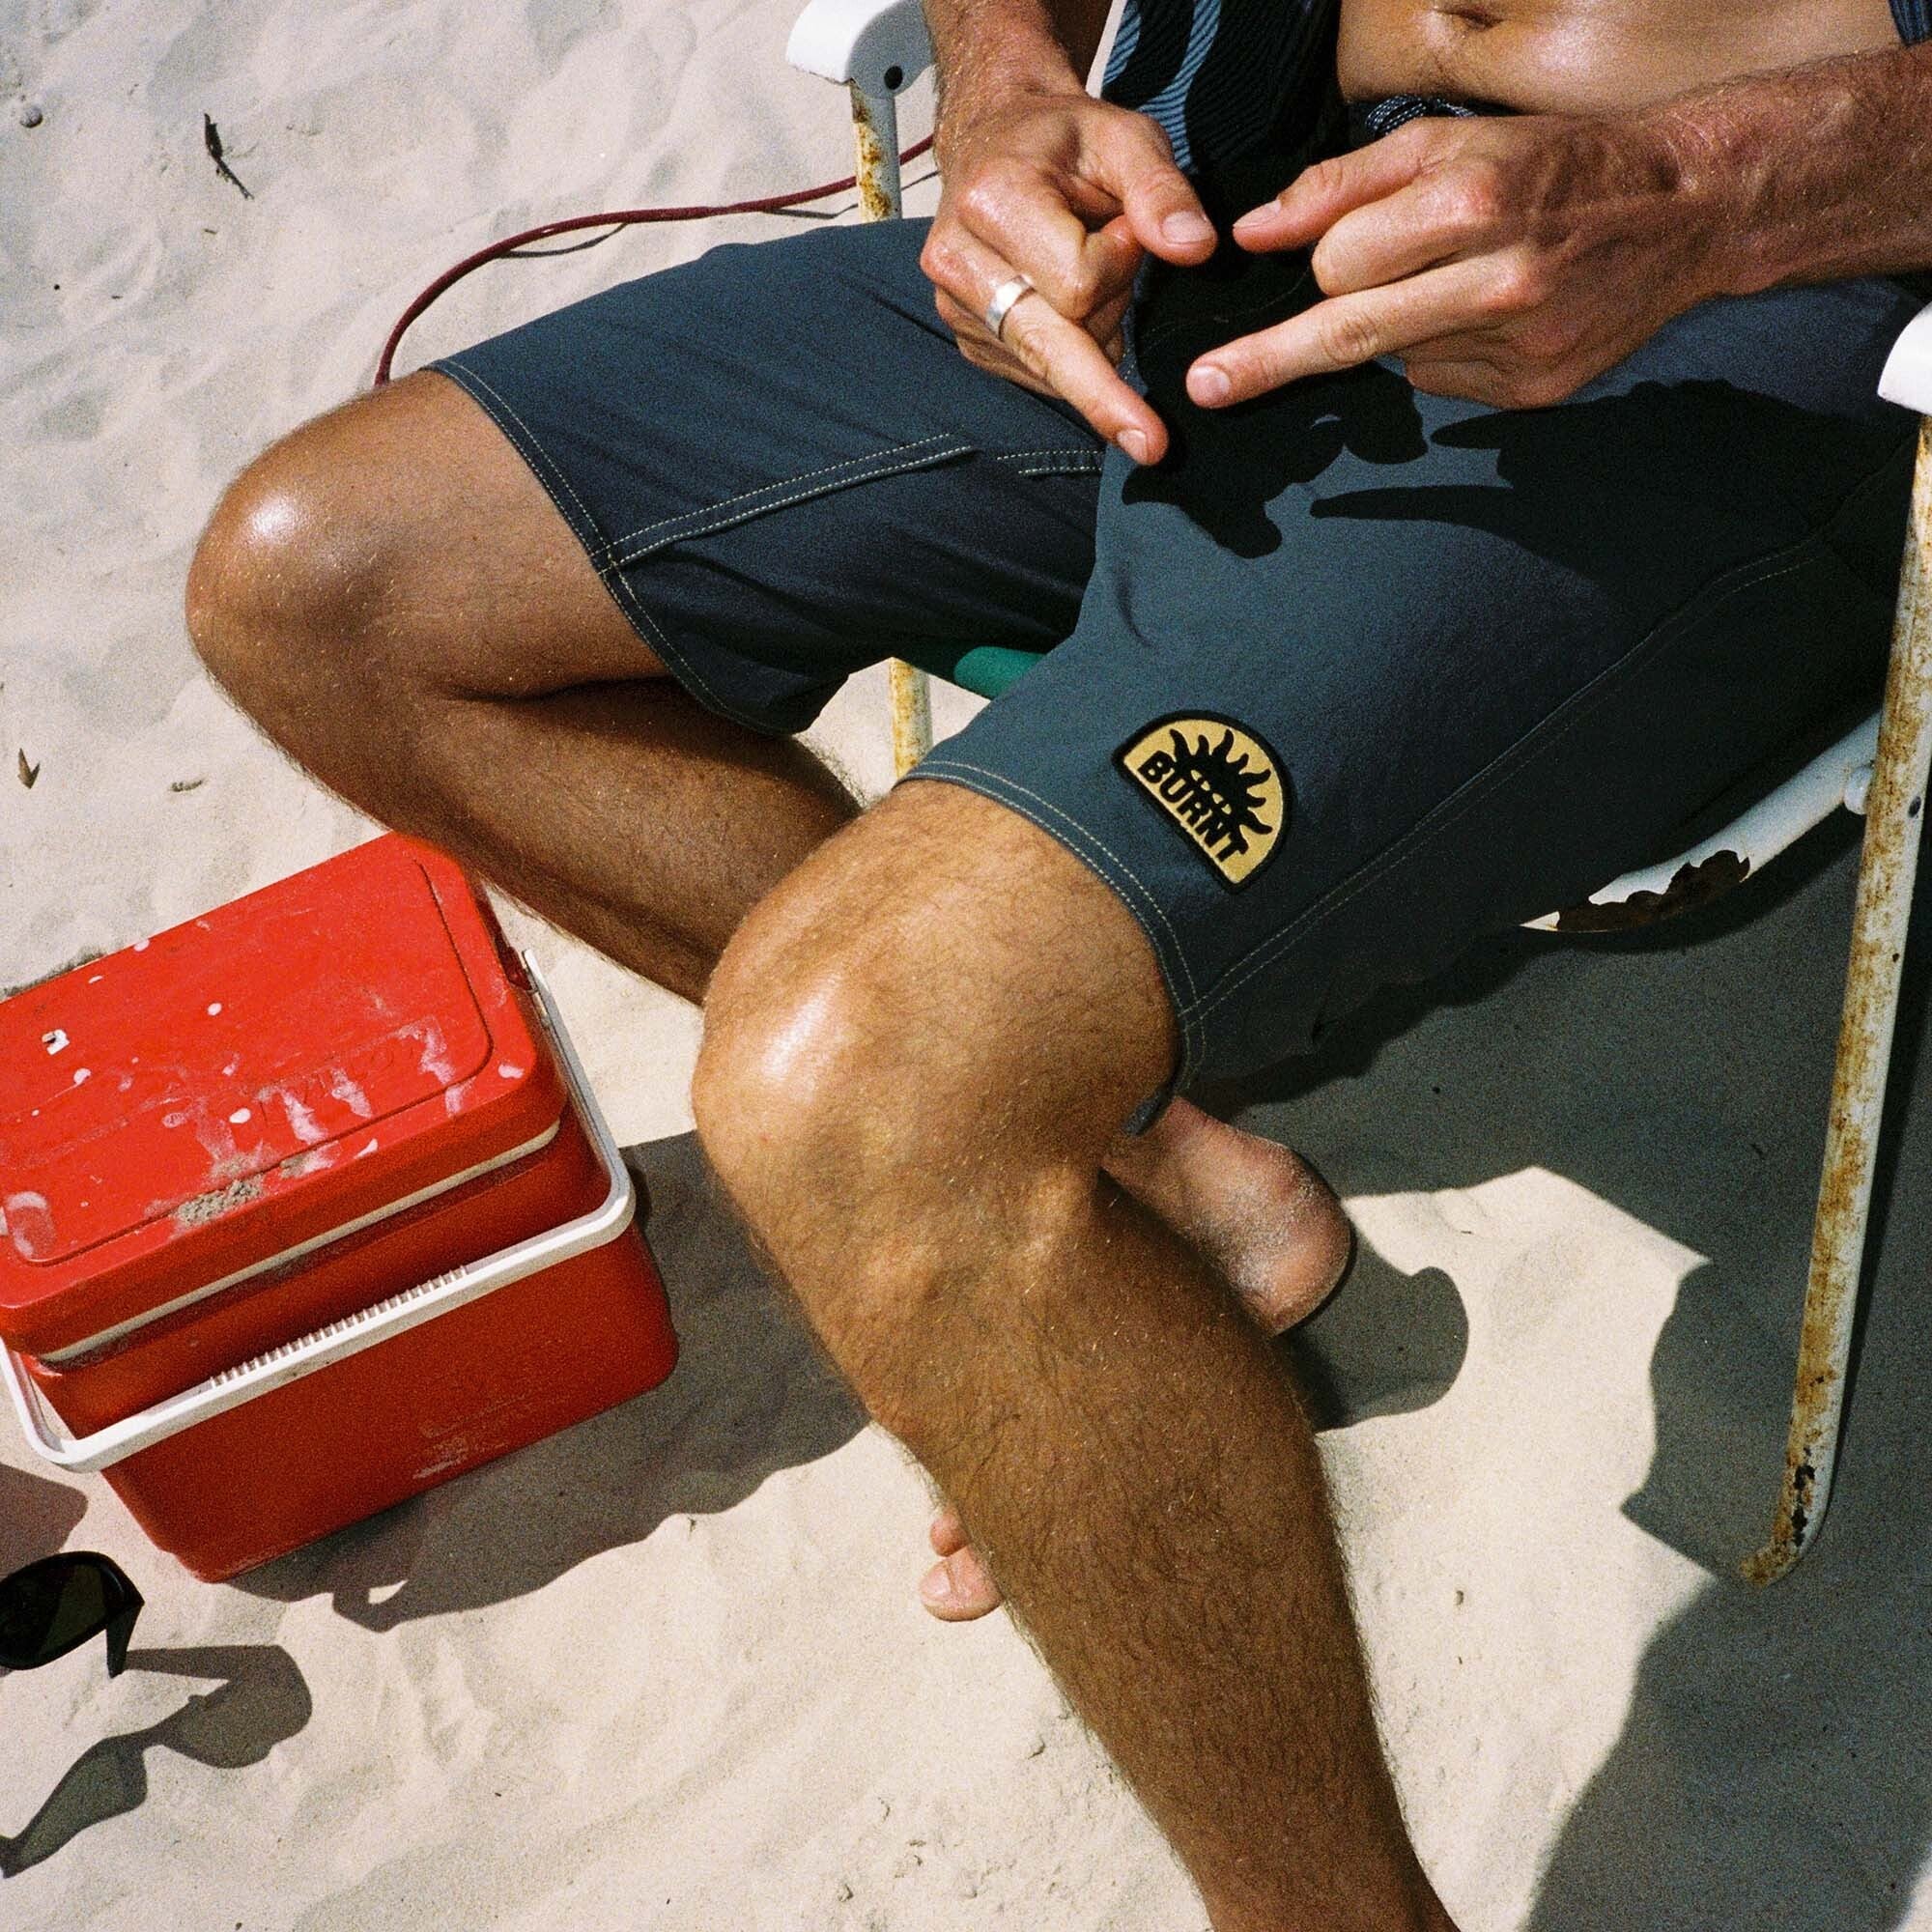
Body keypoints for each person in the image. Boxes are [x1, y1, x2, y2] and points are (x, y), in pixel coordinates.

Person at [184, 0, 1932, 1918]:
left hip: (1723, 349)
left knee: (869, 1076)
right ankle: (1158, 1190)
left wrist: (1698, 190)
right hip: (1212, 215)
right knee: (320, 580)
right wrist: (1012, 90)